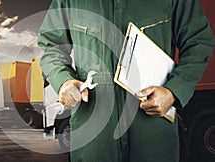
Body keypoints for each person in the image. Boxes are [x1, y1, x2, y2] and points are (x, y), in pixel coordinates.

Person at [38, 0, 214, 162]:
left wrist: (173, 90)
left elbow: (199, 41)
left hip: (153, 135)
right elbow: (51, 46)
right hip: (93, 139)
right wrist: (63, 81)